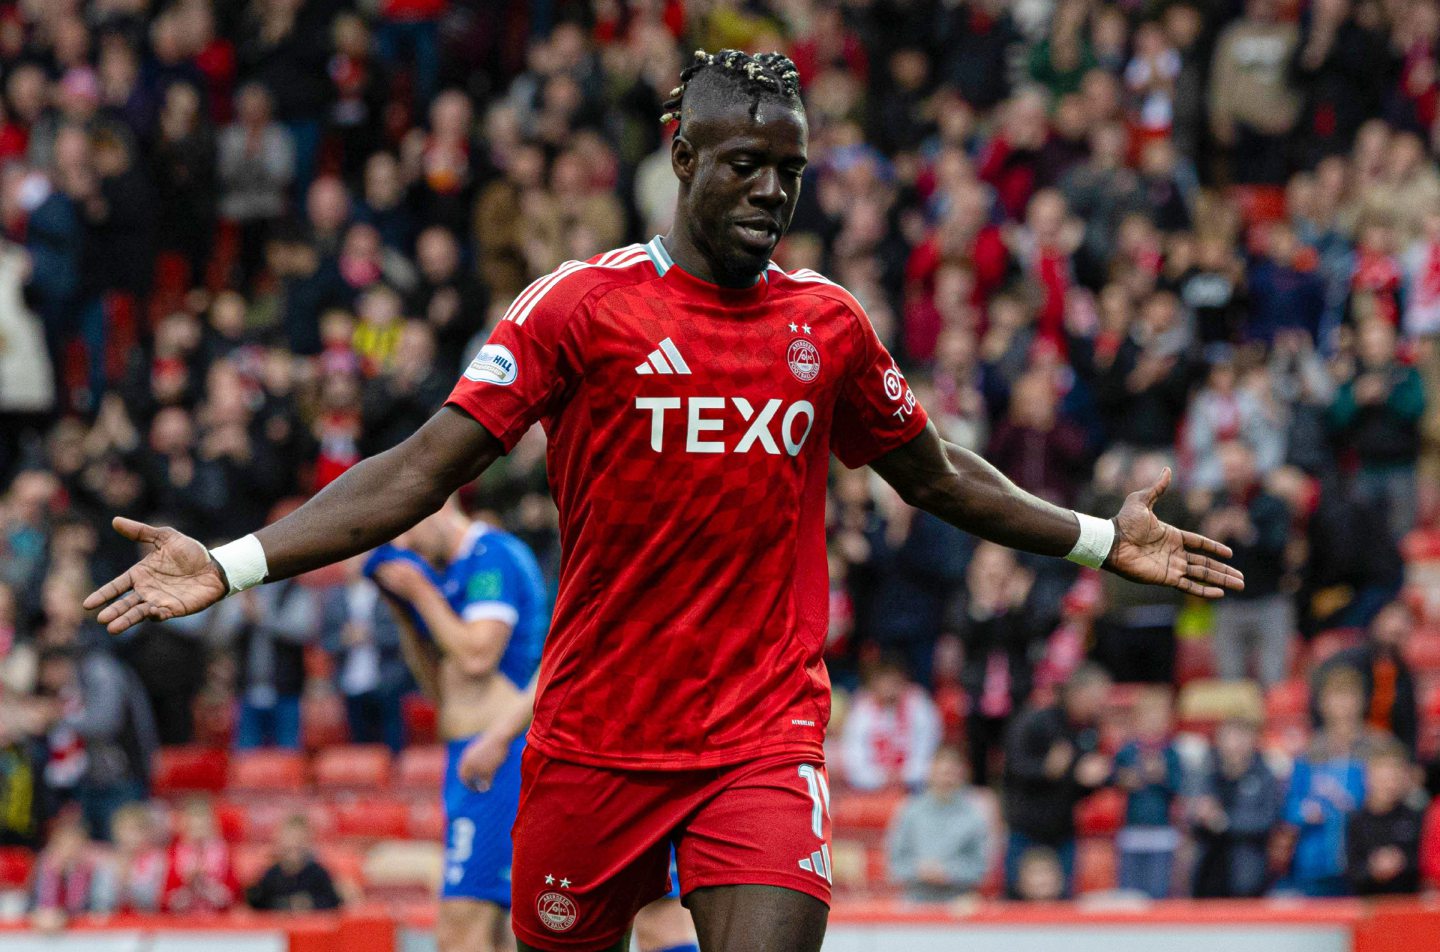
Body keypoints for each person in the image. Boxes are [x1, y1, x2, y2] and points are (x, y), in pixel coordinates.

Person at [84, 49, 1242, 952]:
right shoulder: (579, 310)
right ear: (682, 155)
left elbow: (936, 474)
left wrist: (1099, 538)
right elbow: (421, 466)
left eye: (790, 170)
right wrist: (233, 563)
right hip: (592, 739)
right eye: (747, 163)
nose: (772, 191)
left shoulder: (826, 325)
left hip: (760, 734)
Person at [366, 496, 547, 952]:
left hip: (500, 752)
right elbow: (439, 686)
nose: (405, 546)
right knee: (500, 930)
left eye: (407, 530)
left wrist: (421, 593)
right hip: (469, 752)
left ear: (440, 503)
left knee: (459, 926)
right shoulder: (446, 574)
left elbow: (477, 655)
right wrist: (405, 612)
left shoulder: (493, 556)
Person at [461, 674, 700, 952]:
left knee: (660, 922)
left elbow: (482, 658)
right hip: (603, 755)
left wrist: (499, 735)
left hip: (625, 754)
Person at [1001, 663, 1113, 898]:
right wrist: (1046, 769)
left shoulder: (1090, 731)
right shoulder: (1036, 721)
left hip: (1062, 830)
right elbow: (1014, 768)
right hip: (1026, 828)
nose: (1099, 705)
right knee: (1015, 900)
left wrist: (1093, 781)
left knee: (1064, 901)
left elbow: (1079, 785)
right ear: (1077, 693)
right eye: (1096, 697)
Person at [1279, 666, 1376, 896]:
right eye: (1335, 697)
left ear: (1361, 701)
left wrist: (1352, 803)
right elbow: (1291, 806)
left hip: (1363, 862)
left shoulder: (1376, 747)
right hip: (1315, 863)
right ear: (1322, 704)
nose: (1342, 705)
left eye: (1349, 696)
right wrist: (1306, 812)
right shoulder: (1310, 752)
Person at [1190, 717, 1285, 898]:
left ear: (1253, 740)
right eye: (1229, 736)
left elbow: (1267, 821)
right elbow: (1192, 822)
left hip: (1246, 879)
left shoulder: (1264, 777)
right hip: (1207, 878)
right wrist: (1200, 816)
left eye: (1241, 736)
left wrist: (1223, 822)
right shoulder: (1208, 775)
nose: (1235, 743)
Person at [1310, 601, 1419, 755]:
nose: (1397, 627)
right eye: (1390, 619)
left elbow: (1409, 722)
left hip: (1386, 748)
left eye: (1403, 622)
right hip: (1354, 741)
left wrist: (1410, 761)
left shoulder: (1404, 673)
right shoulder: (1351, 662)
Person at [884, 746, 991, 903]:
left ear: (962, 775)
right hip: (915, 901)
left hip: (958, 903)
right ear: (930, 774)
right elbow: (894, 863)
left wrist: (949, 873)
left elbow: (981, 868)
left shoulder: (974, 817)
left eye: (951, 773)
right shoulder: (909, 812)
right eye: (941, 773)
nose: (946, 779)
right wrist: (919, 870)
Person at [1112, 687, 1182, 899]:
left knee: (1158, 892)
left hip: (1161, 833)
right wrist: (1124, 780)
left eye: (1159, 717)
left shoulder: (1171, 754)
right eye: (1148, 717)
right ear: (1137, 720)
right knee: (1129, 894)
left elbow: (1179, 787)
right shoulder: (1126, 752)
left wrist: (1163, 776)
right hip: (1131, 831)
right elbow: (1111, 780)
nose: (1153, 723)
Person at [838, 655, 942, 792]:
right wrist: (880, 778)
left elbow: (929, 751)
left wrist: (905, 776)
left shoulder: (919, 705)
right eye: (883, 681)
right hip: (869, 790)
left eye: (893, 681)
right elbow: (854, 758)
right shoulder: (861, 709)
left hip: (916, 787)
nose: (888, 686)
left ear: (903, 681)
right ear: (873, 683)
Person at [1345, 740, 1424, 896]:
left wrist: (1401, 862)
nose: (1389, 785)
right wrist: (1373, 868)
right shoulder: (1355, 820)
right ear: (1368, 778)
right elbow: (1351, 871)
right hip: (1367, 908)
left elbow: (1424, 864)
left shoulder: (1416, 817)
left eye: (1394, 778)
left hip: (1408, 907)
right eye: (1383, 779)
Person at [246, 813, 343, 912]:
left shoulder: (318, 873)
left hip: (310, 925)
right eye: (289, 848)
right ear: (279, 844)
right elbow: (259, 904)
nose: (294, 844)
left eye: (298, 843)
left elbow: (332, 902)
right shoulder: (271, 875)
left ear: (307, 843)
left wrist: (309, 903)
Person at [162, 796, 239, 913]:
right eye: (194, 828)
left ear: (212, 827)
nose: (199, 833)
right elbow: (167, 899)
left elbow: (232, 896)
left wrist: (207, 885)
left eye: (203, 827)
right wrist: (188, 883)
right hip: (182, 919)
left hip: (216, 919)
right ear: (185, 828)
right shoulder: (174, 853)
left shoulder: (223, 852)